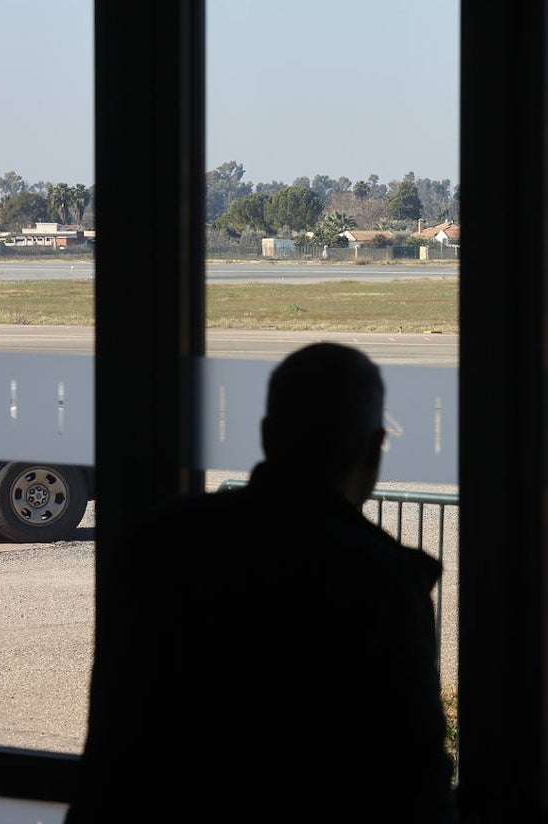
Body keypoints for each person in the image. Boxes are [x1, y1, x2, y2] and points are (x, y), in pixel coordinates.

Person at [67, 342, 456, 823]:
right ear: (375, 447)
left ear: (267, 436)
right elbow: (412, 779)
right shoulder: (381, 581)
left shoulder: (155, 543)